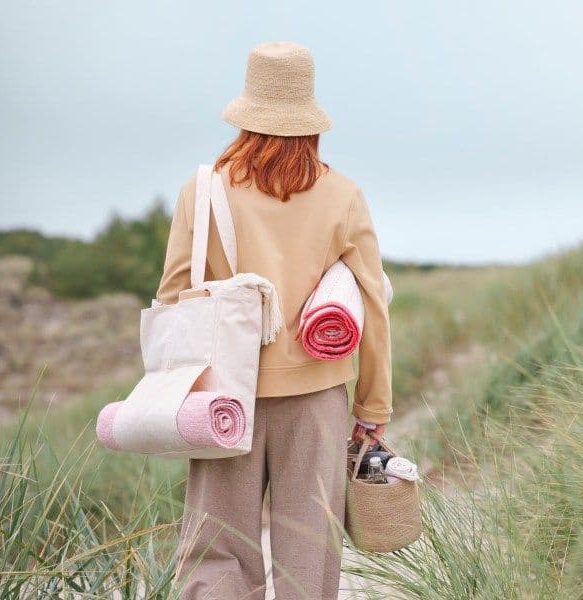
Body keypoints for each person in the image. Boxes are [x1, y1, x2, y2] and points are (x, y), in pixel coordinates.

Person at [156, 40, 392, 600]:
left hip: (222, 399)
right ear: (310, 120)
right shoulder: (342, 194)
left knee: (217, 556)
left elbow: (171, 296)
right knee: (309, 557)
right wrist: (373, 407)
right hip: (317, 398)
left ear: (247, 113)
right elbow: (373, 304)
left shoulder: (205, 189)